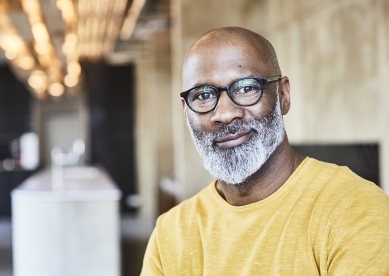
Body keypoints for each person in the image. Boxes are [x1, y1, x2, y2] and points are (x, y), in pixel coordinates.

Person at [141, 27, 389, 275]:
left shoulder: (354, 208)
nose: (226, 114)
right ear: (186, 113)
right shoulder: (170, 234)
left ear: (283, 95)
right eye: (204, 95)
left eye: (247, 88)